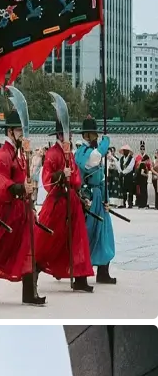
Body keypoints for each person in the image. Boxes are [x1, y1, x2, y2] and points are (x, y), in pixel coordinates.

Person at [0, 110, 45, 307]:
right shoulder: (3, 155)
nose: (22, 134)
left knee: (29, 247)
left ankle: (29, 293)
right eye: (20, 130)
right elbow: (1, 182)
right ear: (11, 132)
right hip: (6, 211)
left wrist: (29, 201)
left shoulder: (18, 155)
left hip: (21, 209)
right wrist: (21, 188)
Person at [35, 117, 93, 291]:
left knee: (78, 238)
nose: (70, 137)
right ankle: (34, 270)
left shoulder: (70, 154)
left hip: (72, 200)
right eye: (67, 134)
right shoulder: (52, 153)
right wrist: (61, 175)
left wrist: (75, 185)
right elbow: (47, 178)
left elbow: (76, 178)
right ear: (60, 135)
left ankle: (80, 277)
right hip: (58, 201)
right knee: (50, 238)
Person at [74, 116, 116, 285]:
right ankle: (80, 273)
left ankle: (103, 271)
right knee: (88, 233)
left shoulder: (93, 150)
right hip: (88, 197)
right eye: (93, 135)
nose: (96, 138)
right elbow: (95, 159)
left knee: (105, 233)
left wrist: (106, 198)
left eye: (97, 135)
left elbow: (101, 177)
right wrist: (105, 143)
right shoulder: (82, 153)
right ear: (86, 135)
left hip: (99, 195)